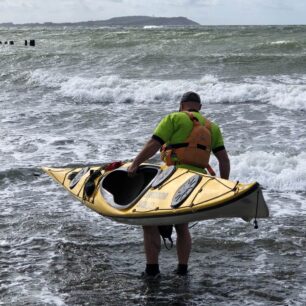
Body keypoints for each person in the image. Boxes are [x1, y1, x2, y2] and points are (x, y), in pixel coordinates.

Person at [128, 91, 230, 278]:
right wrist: (223, 187)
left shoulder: (173, 118)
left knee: (149, 222)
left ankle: (152, 270)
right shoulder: (212, 127)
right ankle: (182, 269)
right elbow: (224, 160)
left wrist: (135, 164)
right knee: (182, 226)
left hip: (172, 176)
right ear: (200, 107)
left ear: (181, 105)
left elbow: (154, 144)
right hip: (196, 180)